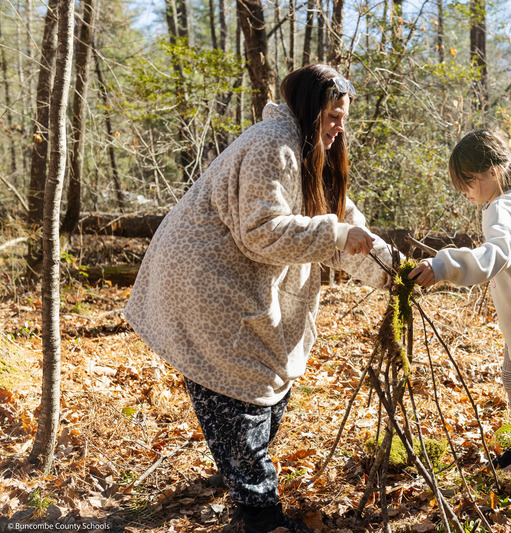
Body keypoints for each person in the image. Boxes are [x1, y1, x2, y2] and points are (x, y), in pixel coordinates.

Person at [124, 64, 394, 533]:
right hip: (204, 283)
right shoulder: (272, 145)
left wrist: (396, 272)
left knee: (266, 394)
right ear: (310, 112)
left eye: (343, 117)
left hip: (239, 284)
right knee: (240, 393)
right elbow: (261, 230)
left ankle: (240, 479)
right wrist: (336, 234)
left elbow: (348, 229)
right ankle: (260, 516)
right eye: (332, 116)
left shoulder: (313, 154)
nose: (339, 126)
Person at [409, 129, 511, 525]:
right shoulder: (509, 203)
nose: (465, 191)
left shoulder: (505, 210)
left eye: (468, 182)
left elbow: (493, 256)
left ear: (494, 171)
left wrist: (443, 265)